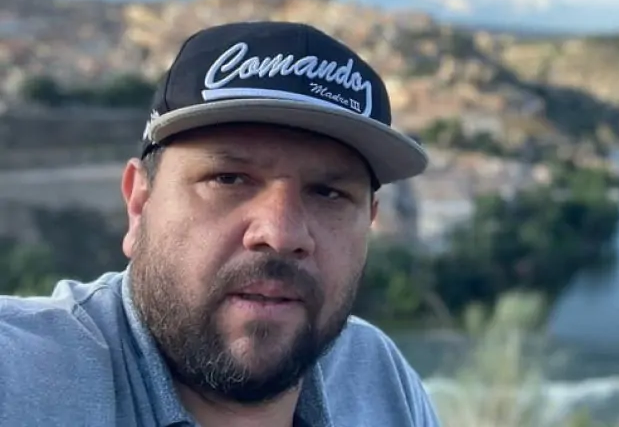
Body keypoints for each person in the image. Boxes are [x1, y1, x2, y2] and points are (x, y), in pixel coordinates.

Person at [0, 21, 442, 427]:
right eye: (228, 179)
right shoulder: (19, 373)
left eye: (329, 193)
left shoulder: (380, 381)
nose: (281, 234)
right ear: (139, 203)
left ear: (369, 223)